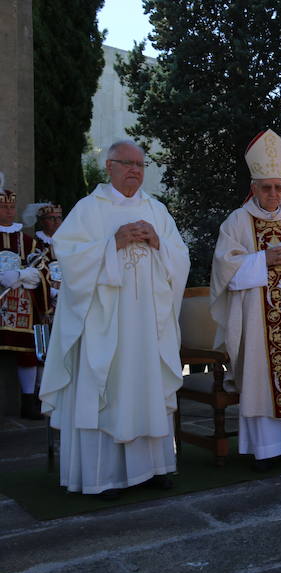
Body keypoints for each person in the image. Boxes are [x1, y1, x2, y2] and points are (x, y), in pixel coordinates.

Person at [39, 140, 190, 498]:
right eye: (127, 163)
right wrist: (114, 243)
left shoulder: (156, 210)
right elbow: (68, 257)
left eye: (140, 165)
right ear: (109, 166)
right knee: (106, 388)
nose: (135, 171)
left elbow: (181, 258)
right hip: (104, 323)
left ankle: (152, 468)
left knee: (145, 387)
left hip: (148, 324)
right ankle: (102, 476)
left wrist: (158, 242)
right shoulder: (89, 209)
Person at [210, 130, 281, 471]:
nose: (274, 194)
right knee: (262, 378)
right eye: (266, 188)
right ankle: (264, 451)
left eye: (279, 187)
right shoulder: (237, 221)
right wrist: (263, 259)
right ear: (255, 187)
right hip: (256, 322)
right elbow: (224, 265)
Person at [1, 179, 50, 420]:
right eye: (3, 207)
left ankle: (28, 402)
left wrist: (24, 274)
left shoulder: (27, 241)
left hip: (22, 308)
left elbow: (43, 271)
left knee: (28, 353)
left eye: (11, 207)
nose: (8, 211)